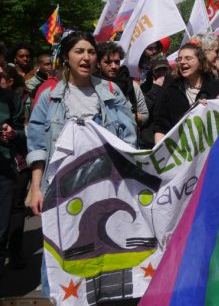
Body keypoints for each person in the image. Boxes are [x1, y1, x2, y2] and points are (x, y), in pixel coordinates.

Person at [25, 32, 136, 295]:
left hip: (104, 186)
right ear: (66, 56)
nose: (86, 57)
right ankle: (58, 297)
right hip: (60, 188)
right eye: (78, 51)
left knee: (103, 245)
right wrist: (36, 187)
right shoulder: (49, 96)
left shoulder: (112, 92)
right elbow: (38, 146)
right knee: (59, 249)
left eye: (91, 51)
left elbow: (129, 141)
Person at [152, 43, 219, 144]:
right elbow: (160, 125)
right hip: (180, 151)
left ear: (200, 62)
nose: (182, 62)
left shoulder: (218, 87)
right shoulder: (170, 88)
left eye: (188, 58)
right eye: (179, 59)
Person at [0, 68, 25, 280]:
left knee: (2, 232)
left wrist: (14, 133)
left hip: (5, 171)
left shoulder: (10, 98)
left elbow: (23, 131)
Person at [96, 42, 149, 126]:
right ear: (98, 64)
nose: (113, 66)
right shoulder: (92, 86)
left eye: (117, 62)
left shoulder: (132, 86)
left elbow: (145, 115)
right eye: (108, 62)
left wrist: (127, 116)